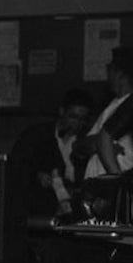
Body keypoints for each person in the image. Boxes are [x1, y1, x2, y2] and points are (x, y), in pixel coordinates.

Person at [11, 88, 94, 219]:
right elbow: (16, 166)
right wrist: (37, 175)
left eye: (82, 119)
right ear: (62, 112)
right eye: (73, 117)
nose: (77, 123)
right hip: (41, 210)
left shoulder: (87, 140)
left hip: (76, 211)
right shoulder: (37, 136)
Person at [81, 46, 133, 179]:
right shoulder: (112, 105)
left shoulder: (129, 106)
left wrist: (118, 182)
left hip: (121, 185)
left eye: (109, 69)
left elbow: (103, 138)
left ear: (120, 74)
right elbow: (83, 146)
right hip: (101, 184)